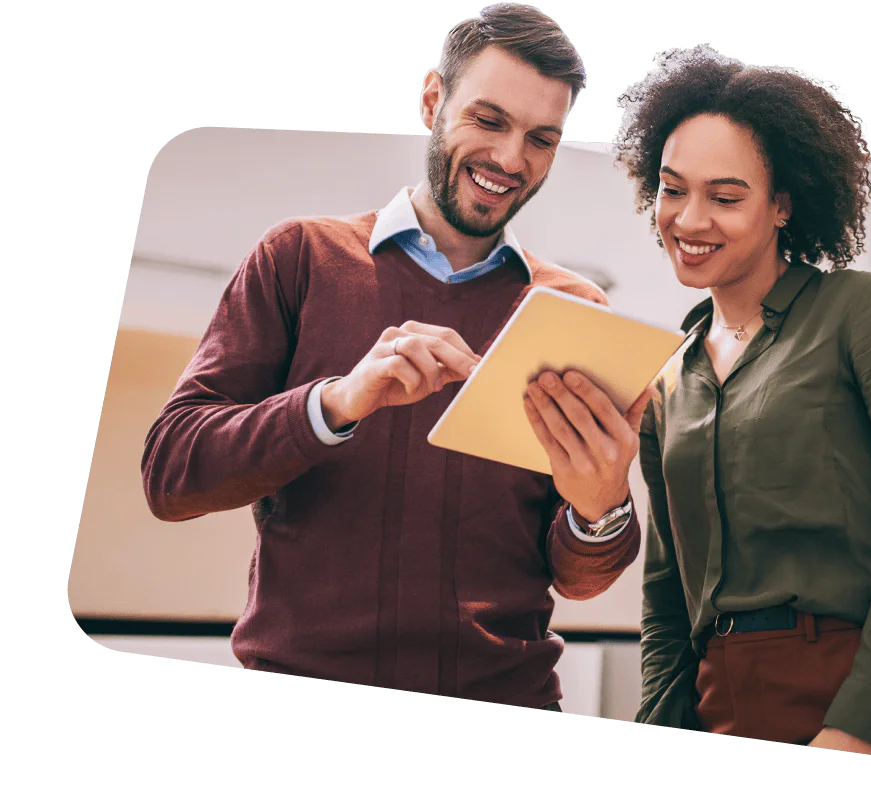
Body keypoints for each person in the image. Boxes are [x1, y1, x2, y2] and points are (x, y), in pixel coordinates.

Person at [141, 3, 646, 711]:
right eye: (490, 120)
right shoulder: (301, 259)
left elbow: (579, 576)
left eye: (543, 138)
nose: (511, 160)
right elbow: (170, 474)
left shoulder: (574, 310)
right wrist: (336, 403)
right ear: (433, 98)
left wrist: (602, 511)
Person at [613, 45, 871, 766]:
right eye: (671, 189)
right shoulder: (667, 380)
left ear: (784, 204)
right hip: (723, 708)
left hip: (869, 698)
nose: (688, 220)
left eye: (725, 197)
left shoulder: (857, 312)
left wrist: (862, 728)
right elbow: (666, 599)